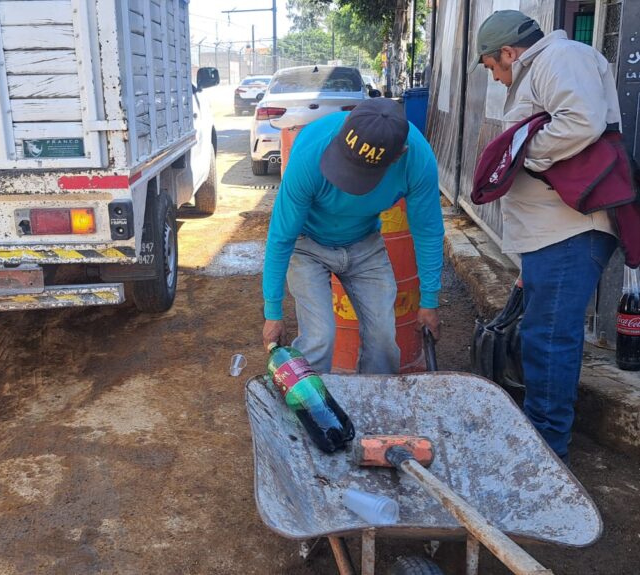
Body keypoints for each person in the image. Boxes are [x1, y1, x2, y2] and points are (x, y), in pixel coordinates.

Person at [473, 10, 620, 463]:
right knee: (542, 336)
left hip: (569, 232)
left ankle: (546, 451)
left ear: (508, 52)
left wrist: (520, 156)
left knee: (550, 339)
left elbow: (581, 122)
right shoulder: (544, 67)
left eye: (493, 67)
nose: (496, 78)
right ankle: (541, 437)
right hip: (550, 236)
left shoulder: (561, 56)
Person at [261, 98, 444, 375]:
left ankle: (373, 406)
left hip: (364, 244)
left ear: (398, 155)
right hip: (308, 244)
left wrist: (429, 300)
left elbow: (427, 231)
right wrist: (272, 311)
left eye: (360, 173)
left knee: (383, 340)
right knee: (319, 338)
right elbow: (281, 237)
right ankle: (311, 410)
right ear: (346, 128)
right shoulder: (310, 156)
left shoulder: (416, 161)